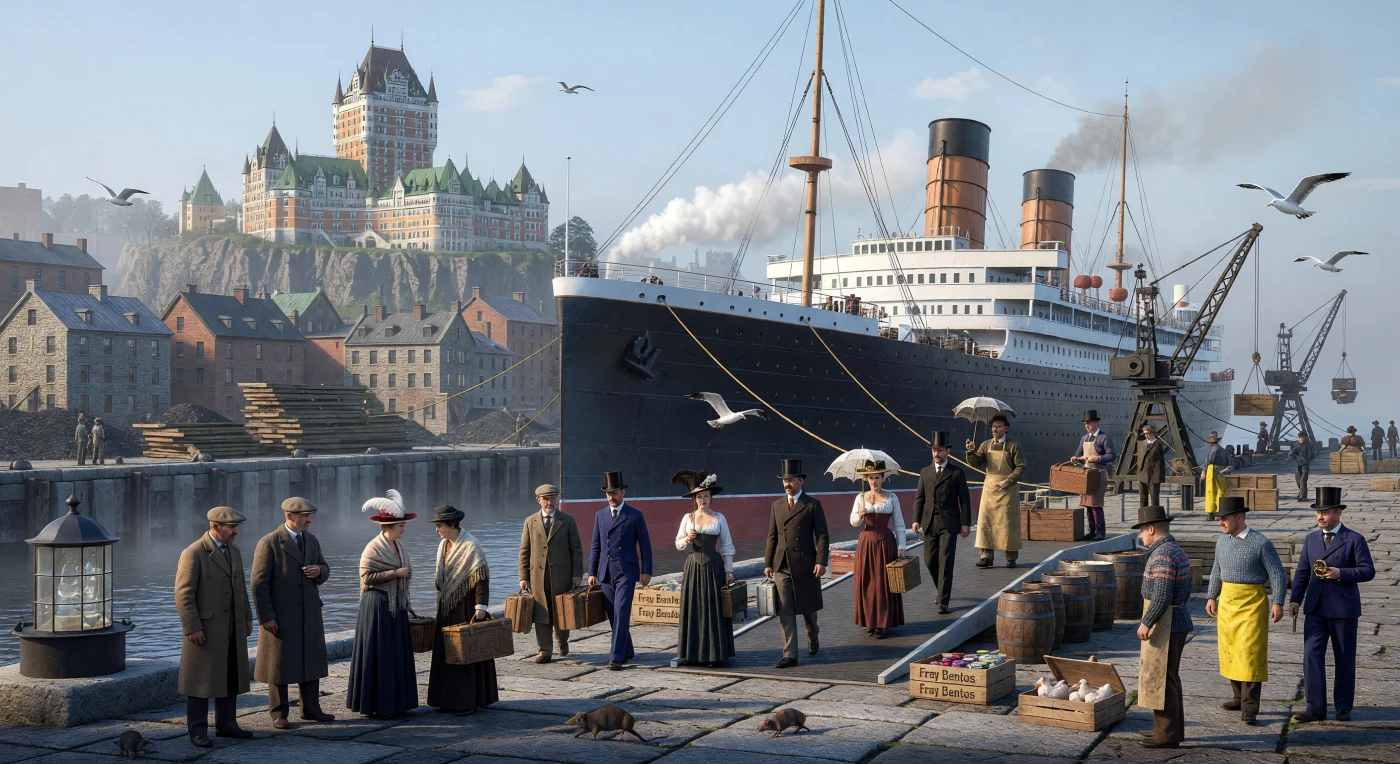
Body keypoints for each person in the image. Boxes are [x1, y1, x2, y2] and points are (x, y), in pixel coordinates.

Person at [1290, 487, 1376, 723]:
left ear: (1338, 513)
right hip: (1315, 608)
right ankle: (1315, 707)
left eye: (1325, 512)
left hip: (1343, 609)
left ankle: (1343, 706)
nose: (1320, 517)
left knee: (1344, 657)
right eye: (1318, 513)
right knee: (1311, 655)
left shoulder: (1354, 539)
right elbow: (1302, 573)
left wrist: (1341, 573)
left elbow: (1368, 571)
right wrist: (1295, 599)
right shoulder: (1310, 539)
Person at [175, 507, 255, 748]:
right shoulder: (194, 553)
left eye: (236, 527)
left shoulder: (233, 550)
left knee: (230, 675)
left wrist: (247, 617)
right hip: (205, 630)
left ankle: (227, 724)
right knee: (200, 681)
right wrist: (192, 627)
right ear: (214, 526)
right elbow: (183, 594)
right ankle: (197, 730)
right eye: (231, 528)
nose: (236, 532)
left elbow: (239, 586)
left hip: (231, 626)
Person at [251, 497, 334, 730]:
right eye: (305, 516)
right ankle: (279, 713)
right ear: (289, 516)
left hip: (309, 614)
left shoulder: (312, 540)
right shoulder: (269, 543)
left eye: (310, 516)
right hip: (281, 617)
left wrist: (319, 571)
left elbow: (325, 567)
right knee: (279, 665)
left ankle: (311, 709)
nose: (309, 520)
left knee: (311, 660)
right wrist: (266, 617)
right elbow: (259, 584)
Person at [1206, 496, 1286, 725]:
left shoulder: (1261, 543)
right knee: (1230, 650)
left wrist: (1278, 602)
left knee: (1250, 653)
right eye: (1219, 518)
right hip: (1227, 602)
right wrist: (1212, 596)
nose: (1220, 522)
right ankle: (1237, 697)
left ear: (1238, 517)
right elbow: (1215, 570)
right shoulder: (1222, 542)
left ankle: (1250, 706)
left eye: (1224, 518)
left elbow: (1277, 574)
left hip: (1252, 602)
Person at [347, 490, 418, 717]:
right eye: (400, 527)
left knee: (395, 654)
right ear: (387, 527)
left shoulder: (399, 546)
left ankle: (397, 702)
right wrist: (395, 572)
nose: (403, 530)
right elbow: (367, 578)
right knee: (379, 654)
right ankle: (376, 704)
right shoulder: (373, 548)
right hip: (377, 606)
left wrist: (405, 602)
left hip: (395, 607)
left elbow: (404, 578)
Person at [427, 505, 498, 714]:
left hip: (465, 608)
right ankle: (444, 699)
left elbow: (482, 578)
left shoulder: (471, 545)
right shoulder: (443, 545)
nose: (437, 530)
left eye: (439, 525)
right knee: (445, 655)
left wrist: (481, 608)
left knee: (464, 654)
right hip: (446, 607)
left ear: (451, 524)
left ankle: (465, 702)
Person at [1134, 504, 1193, 750]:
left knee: (1164, 678)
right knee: (1168, 676)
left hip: (1167, 623)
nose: (1139, 536)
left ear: (1151, 528)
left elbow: (1161, 596)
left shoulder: (1163, 555)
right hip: (1172, 621)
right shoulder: (1170, 549)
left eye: (1141, 531)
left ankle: (1167, 735)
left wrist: (1146, 622)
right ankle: (1168, 729)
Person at [764, 459, 829, 668]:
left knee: (808, 609)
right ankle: (790, 654)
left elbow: (822, 536)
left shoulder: (812, 505)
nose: (787, 484)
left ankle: (813, 635)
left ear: (800, 481)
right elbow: (772, 536)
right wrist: (767, 563)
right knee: (786, 610)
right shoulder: (777, 505)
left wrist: (821, 561)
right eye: (784, 481)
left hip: (806, 565)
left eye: (790, 480)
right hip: (782, 565)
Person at [587, 471, 653, 671]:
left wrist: (646, 571)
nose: (611, 497)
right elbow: (595, 546)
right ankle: (628, 650)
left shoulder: (634, 515)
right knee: (613, 615)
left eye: (614, 492)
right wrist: (591, 572)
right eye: (608, 493)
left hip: (627, 572)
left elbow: (645, 545)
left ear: (623, 492)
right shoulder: (600, 515)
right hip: (605, 573)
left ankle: (616, 657)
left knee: (622, 611)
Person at [672, 470, 736, 666]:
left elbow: (727, 545)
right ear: (694, 498)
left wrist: (729, 570)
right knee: (694, 609)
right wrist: (687, 538)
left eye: (706, 496)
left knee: (713, 609)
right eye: (699, 496)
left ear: (711, 497)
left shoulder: (719, 518)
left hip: (714, 567)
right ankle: (692, 653)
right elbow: (677, 544)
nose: (702, 499)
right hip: (693, 567)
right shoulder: (687, 518)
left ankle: (713, 654)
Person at [518, 484, 583, 663]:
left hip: (562, 577)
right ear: (538, 500)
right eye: (545, 498)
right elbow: (524, 551)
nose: (549, 502)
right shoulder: (530, 521)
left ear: (557, 499)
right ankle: (544, 650)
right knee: (541, 614)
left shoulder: (567, 520)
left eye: (553, 498)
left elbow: (576, 550)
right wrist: (523, 577)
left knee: (561, 613)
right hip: (537, 578)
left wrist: (578, 574)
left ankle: (562, 641)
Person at [912, 432, 971, 615]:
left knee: (946, 561)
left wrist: (966, 523)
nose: (936, 453)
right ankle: (941, 590)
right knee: (930, 561)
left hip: (950, 523)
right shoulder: (925, 472)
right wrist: (915, 519)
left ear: (947, 451)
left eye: (940, 450)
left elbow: (965, 500)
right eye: (934, 450)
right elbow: (919, 498)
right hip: (929, 522)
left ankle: (943, 601)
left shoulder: (957, 472)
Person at [850, 459, 906, 637]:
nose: (874, 481)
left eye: (877, 477)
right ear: (866, 480)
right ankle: (870, 621)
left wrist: (902, 545)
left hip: (885, 543)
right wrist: (860, 515)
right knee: (867, 582)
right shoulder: (860, 498)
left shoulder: (892, 497)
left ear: (883, 478)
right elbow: (853, 522)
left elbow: (899, 524)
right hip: (866, 543)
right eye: (870, 478)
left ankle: (882, 623)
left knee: (882, 583)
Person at [967, 414, 1026, 566]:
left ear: (1006, 428)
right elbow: (975, 463)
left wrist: (1008, 481)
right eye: (993, 426)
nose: (995, 429)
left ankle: (1011, 557)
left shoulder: (1014, 446)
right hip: (990, 490)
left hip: (1008, 490)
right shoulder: (985, 445)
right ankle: (986, 557)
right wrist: (971, 452)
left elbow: (1021, 467)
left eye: (999, 426)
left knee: (1008, 524)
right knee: (986, 522)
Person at [1069, 410, 1115, 540]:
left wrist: (1098, 458)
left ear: (1096, 422)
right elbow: (1079, 454)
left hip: (1099, 474)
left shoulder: (1104, 438)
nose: (1087, 426)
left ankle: (1100, 532)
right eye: (1085, 424)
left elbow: (1112, 455)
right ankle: (1091, 531)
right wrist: (1075, 458)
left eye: (1089, 423)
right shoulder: (1084, 438)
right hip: (1086, 474)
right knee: (1088, 505)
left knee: (1096, 504)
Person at [1201, 432, 1233, 515]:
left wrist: (1203, 471)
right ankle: (1221, 510)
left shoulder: (1213, 449)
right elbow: (1228, 461)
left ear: (1211, 443)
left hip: (1212, 470)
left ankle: (1211, 513)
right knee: (1221, 490)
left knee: (1211, 492)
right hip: (1221, 470)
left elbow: (1208, 461)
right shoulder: (1222, 449)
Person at [1137, 425, 1168, 508]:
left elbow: (1165, 449)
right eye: (1145, 434)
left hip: (1154, 475)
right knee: (1143, 497)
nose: (1146, 435)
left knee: (1154, 497)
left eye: (1148, 433)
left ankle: (1154, 515)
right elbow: (1139, 457)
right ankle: (1143, 515)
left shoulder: (1159, 444)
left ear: (1153, 433)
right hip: (1143, 473)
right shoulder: (1141, 443)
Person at [1292, 432, 1319, 501]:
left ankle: (1303, 496)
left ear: (1306, 437)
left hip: (1305, 464)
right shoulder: (1297, 444)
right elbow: (1293, 452)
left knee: (1303, 480)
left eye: (1304, 437)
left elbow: (1314, 453)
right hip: (1298, 464)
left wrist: (1309, 459)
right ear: (1299, 437)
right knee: (1298, 480)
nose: (1302, 438)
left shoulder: (1309, 444)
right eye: (1301, 437)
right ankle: (1301, 492)